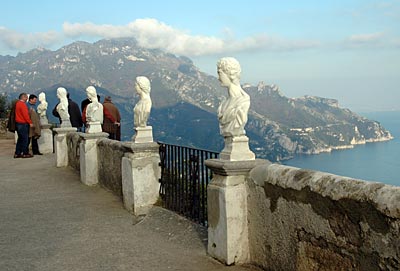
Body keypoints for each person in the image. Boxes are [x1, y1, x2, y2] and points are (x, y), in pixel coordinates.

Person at [216, 57, 250, 137]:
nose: (218, 78)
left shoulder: (243, 101)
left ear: (230, 74)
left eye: (219, 73)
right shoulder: (224, 104)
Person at [14, 93, 33, 158]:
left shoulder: (17, 104)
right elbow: (25, 115)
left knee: (20, 139)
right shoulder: (22, 104)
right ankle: (25, 153)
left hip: (18, 123)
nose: (27, 99)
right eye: (26, 97)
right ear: (23, 97)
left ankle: (17, 153)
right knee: (25, 139)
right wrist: (30, 122)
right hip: (23, 123)